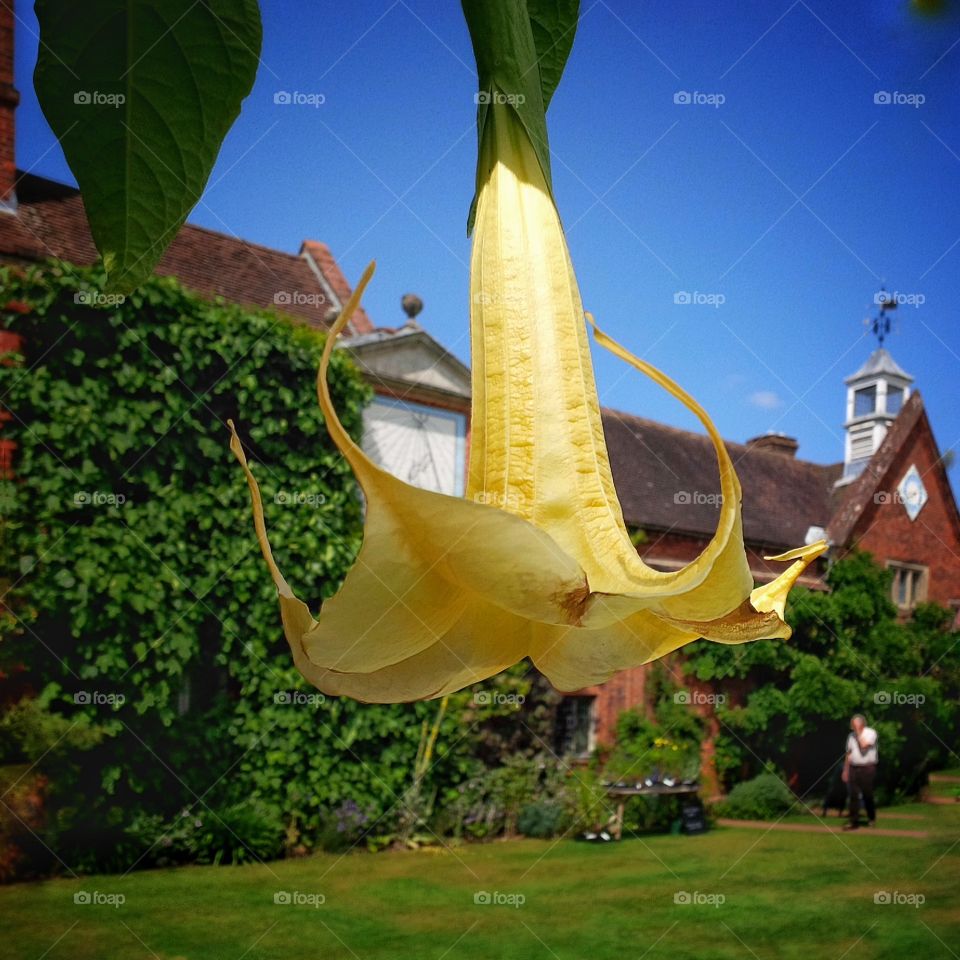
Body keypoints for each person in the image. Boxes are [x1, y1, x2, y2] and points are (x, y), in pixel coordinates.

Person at [841, 714, 878, 830]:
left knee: (867, 795)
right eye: (852, 725)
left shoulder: (871, 733)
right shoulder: (850, 736)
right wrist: (845, 770)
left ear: (862, 724)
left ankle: (871, 818)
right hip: (853, 768)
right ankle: (853, 822)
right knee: (853, 795)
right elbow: (848, 754)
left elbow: (863, 746)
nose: (853, 727)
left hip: (867, 768)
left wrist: (858, 733)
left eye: (855, 725)